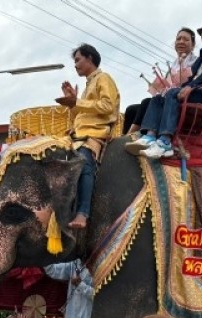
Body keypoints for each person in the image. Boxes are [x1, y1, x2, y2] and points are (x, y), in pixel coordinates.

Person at [126, 17, 202, 159]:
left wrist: (189, 87)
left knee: (172, 94)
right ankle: (150, 136)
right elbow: (191, 77)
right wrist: (181, 86)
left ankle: (165, 141)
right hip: (200, 92)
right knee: (159, 97)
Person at [55, 43, 120, 229]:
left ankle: (83, 213)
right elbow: (82, 116)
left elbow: (108, 107)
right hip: (78, 136)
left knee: (83, 161)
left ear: (90, 58)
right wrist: (73, 102)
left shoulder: (103, 78)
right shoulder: (88, 85)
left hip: (93, 137)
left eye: (77, 60)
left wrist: (78, 101)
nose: (75, 65)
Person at [123, 28, 198, 135]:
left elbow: (196, 82)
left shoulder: (196, 62)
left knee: (146, 103)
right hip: (167, 98)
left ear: (193, 44)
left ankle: (130, 136)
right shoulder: (174, 65)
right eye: (179, 39)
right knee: (131, 110)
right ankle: (125, 137)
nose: (181, 41)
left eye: (186, 39)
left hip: (180, 101)